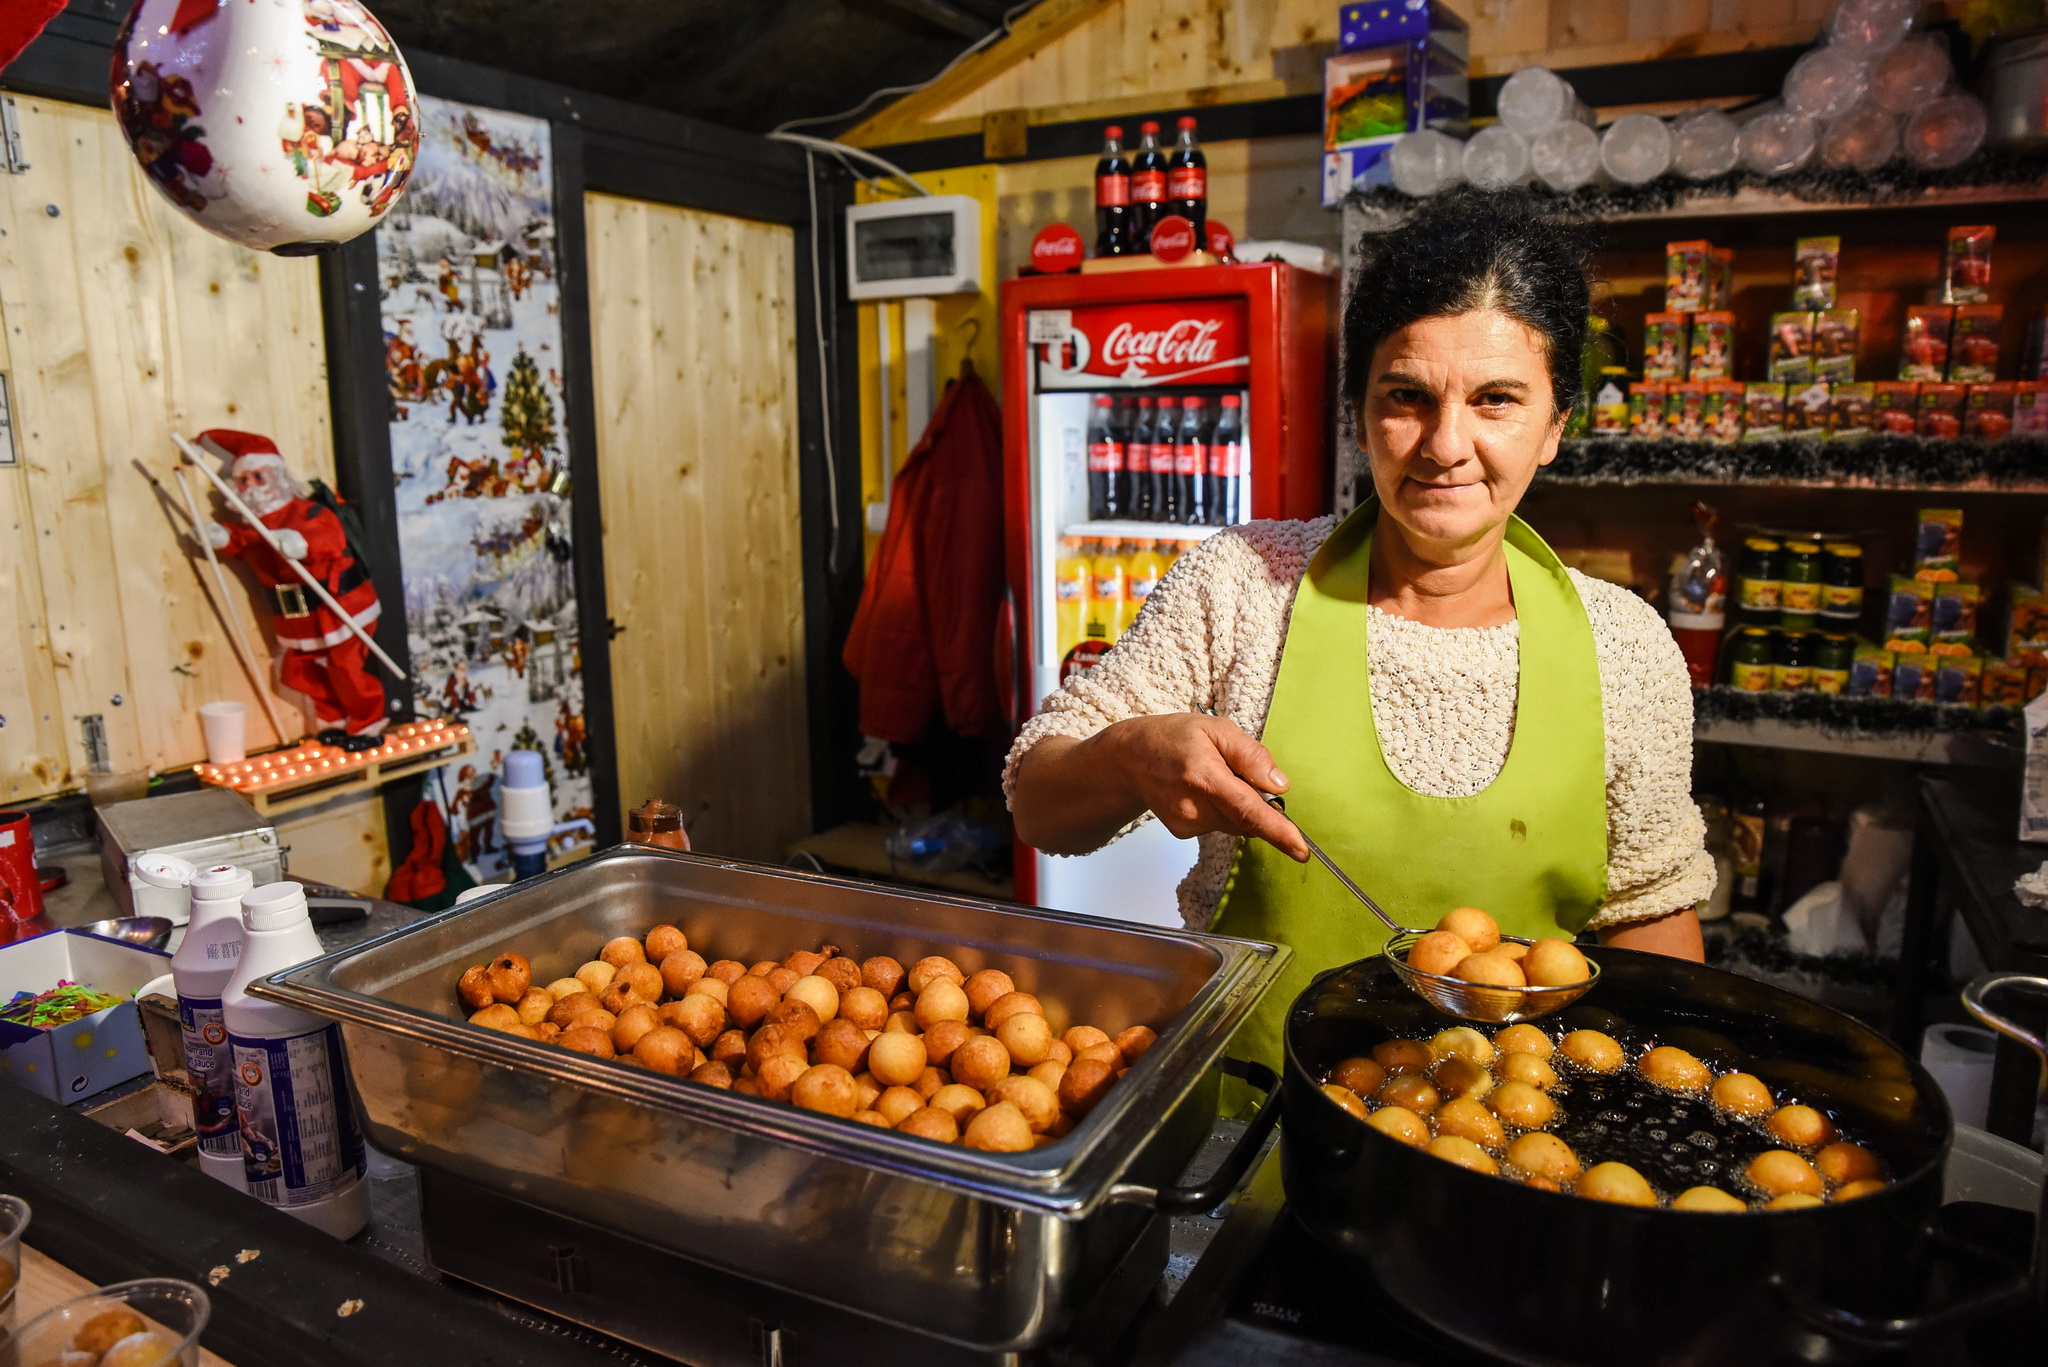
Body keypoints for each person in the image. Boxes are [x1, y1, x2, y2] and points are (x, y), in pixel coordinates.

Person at [1006, 189, 1713, 1086]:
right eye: (1406, 397)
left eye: (1496, 400)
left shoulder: (1628, 648)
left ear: (1556, 427)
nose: (1445, 444)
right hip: (1250, 1136)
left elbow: (1652, 922)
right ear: (1360, 415)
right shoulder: (1244, 584)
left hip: (1512, 1150)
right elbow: (1038, 803)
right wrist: (1127, 755)